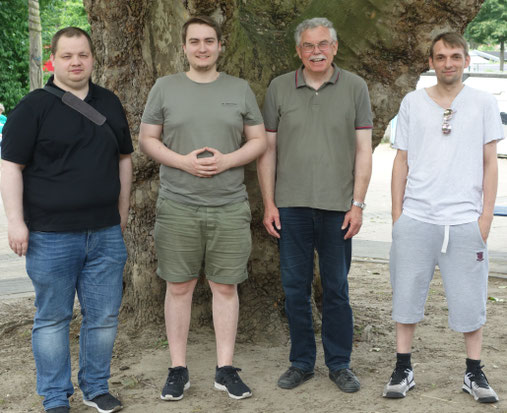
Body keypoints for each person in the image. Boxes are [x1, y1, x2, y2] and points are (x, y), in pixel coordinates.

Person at [0, 27, 133, 413]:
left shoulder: (109, 102)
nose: (76, 62)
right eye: (67, 56)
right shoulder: (33, 107)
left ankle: (95, 387)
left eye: (83, 55)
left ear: (93, 58)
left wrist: (121, 213)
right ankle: (56, 397)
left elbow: (124, 159)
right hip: (50, 235)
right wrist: (15, 221)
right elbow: (10, 167)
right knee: (53, 318)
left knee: (104, 316)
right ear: (53, 61)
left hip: (105, 232)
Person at [138, 16, 266, 401]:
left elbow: (258, 140)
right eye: (194, 41)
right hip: (178, 204)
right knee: (179, 286)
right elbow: (147, 139)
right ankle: (178, 370)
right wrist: (183, 162)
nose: (202, 48)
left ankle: (225, 370)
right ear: (184, 47)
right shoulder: (165, 88)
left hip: (229, 205)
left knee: (225, 286)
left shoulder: (240, 89)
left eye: (209, 41)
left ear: (220, 45)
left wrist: (228, 161)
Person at [383, 32, 503, 403]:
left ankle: (474, 372)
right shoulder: (412, 103)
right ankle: (403, 367)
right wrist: (398, 215)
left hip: (465, 220)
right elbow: (400, 160)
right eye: (440, 56)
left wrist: (484, 219)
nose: (447, 63)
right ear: (431, 62)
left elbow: (489, 163)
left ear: (467, 61)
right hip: (417, 217)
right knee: (406, 296)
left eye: (455, 56)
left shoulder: (483, 102)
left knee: (470, 300)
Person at [258, 17, 373, 393]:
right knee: (295, 288)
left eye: (323, 44)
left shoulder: (355, 87)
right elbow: (268, 150)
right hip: (290, 207)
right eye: (309, 46)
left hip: (338, 208)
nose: (317, 51)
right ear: (298, 51)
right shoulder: (279, 88)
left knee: (337, 288)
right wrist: (269, 203)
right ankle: (302, 363)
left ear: (335, 47)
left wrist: (357, 204)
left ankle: (339, 364)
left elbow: (363, 151)